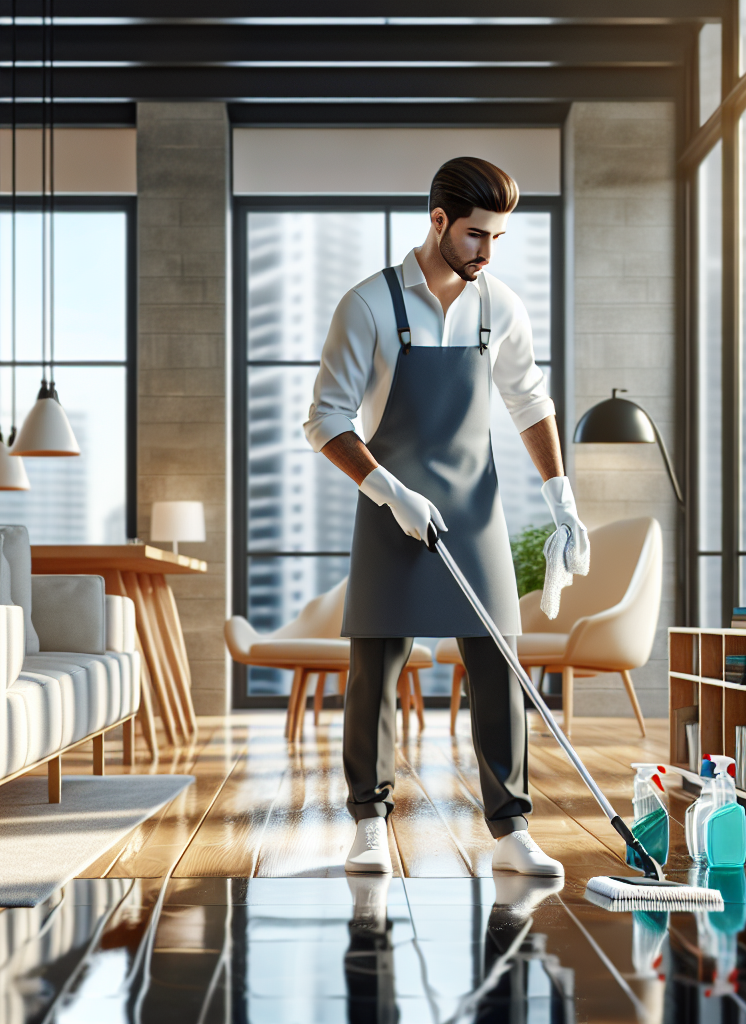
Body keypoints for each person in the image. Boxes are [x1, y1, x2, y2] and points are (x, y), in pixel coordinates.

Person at [304, 156, 587, 875]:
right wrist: (391, 493)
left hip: (473, 506)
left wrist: (561, 497)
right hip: (389, 503)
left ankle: (511, 832)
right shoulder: (367, 305)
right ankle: (369, 823)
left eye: (497, 237)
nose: (488, 253)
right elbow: (325, 421)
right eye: (475, 236)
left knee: (498, 662)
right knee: (376, 665)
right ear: (438, 223)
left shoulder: (500, 306)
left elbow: (530, 403)